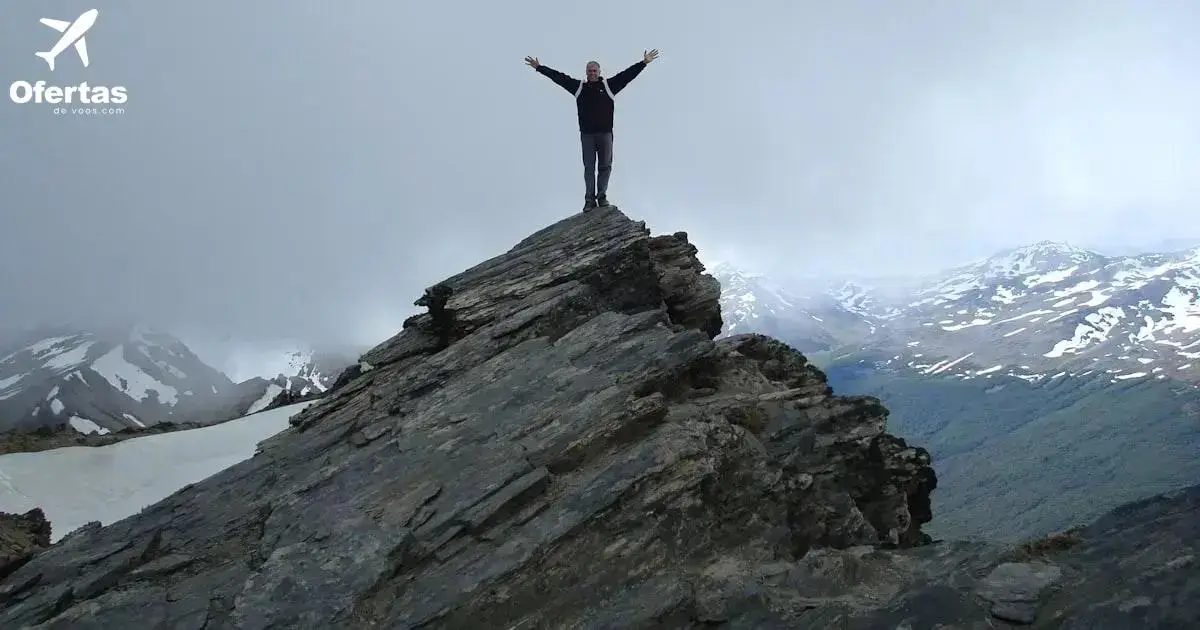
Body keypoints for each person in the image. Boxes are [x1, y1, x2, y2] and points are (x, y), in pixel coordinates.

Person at [525, 49, 659, 211]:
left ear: (599, 72)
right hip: (587, 135)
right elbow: (559, 78)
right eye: (590, 71)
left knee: (605, 166)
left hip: (605, 134)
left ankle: (601, 197)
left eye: (595, 70)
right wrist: (539, 68)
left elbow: (627, 75)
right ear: (586, 72)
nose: (592, 73)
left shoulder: (609, 86)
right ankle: (589, 200)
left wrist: (643, 63)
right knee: (589, 168)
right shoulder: (578, 87)